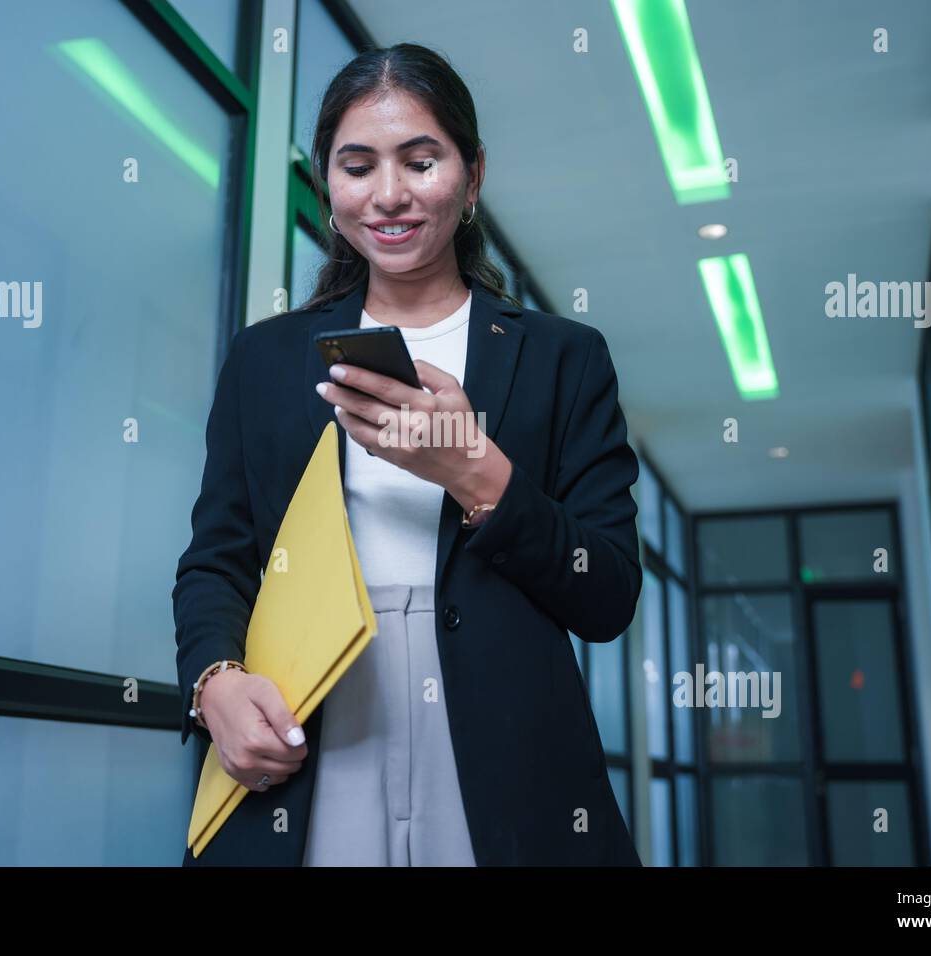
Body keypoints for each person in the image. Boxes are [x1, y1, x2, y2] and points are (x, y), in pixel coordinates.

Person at [176, 42, 642, 866]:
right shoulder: (266, 358)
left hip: (502, 741)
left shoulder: (566, 357)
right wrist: (214, 683)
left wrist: (474, 470)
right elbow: (217, 561)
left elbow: (605, 594)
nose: (388, 194)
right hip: (313, 713)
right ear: (328, 183)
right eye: (358, 166)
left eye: (421, 161)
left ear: (473, 174)